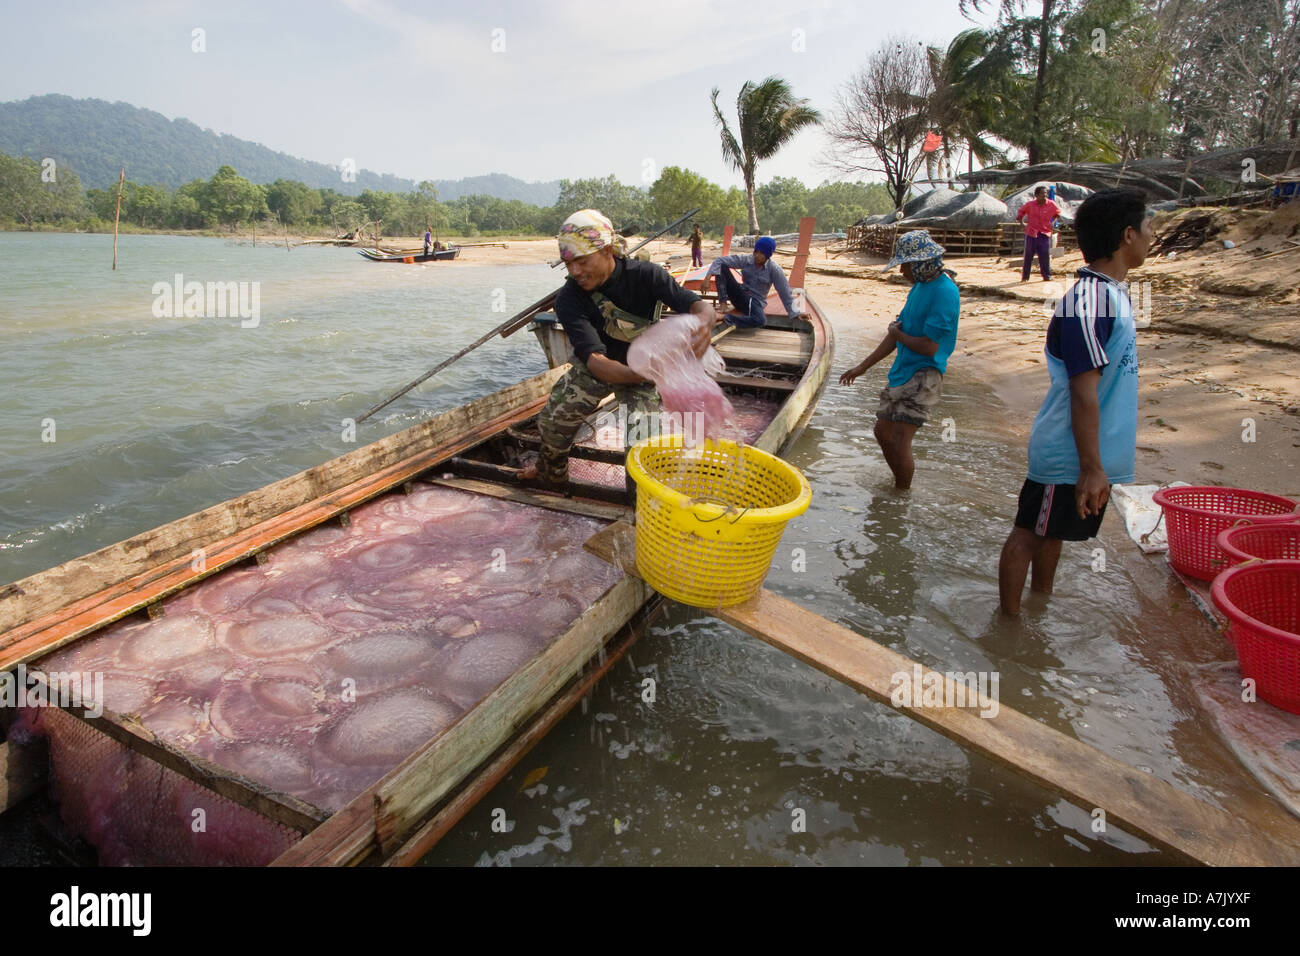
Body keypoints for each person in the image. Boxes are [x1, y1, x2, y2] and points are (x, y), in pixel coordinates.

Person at [998, 188, 1152, 615]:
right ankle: (1008, 628)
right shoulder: (1088, 302)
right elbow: (1084, 391)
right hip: (1069, 451)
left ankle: (1037, 608)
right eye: (1148, 228)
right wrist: (1091, 467)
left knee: (1052, 532)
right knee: (1029, 532)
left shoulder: (1110, 295)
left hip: (1083, 451)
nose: (1151, 237)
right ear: (1126, 236)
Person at [518, 209, 719, 487]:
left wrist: (706, 321)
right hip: (602, 369)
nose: (575, 271)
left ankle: (640, 505)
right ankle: (550, 477)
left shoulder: (647, 276)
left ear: (608, 251)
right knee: (553, 421)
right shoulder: (569, 299)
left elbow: (695, 304)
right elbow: (597, 363)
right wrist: (649, 373)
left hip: (645, 371)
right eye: (568, 264)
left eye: (582, 261)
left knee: (643, 449)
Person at [838, 230, 960, 490]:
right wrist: (861, 367)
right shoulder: (919, 288)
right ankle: (899, 487)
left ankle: (901, 494)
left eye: (905, 265)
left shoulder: (945, 292)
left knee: (900, 439)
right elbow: (895, 335)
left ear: (920, 263)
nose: (902, 271)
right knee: (882, 432)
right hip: (903, 371)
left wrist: (897, 333)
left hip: (924, 374)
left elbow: (929, 347)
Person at [700, 236, 806, 329]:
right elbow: (719, 261)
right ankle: (723, 304)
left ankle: (725, 317)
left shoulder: (774, 269)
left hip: (755, 302)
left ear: (768, 255)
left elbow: (785, 292)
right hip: (740, 295)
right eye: (756, 252)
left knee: (760, 320)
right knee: (722, 266)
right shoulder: (747, 260)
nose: (757, 256)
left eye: (761, 254)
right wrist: (707, 278)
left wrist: (796, 313)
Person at [1016, 185, 1061, 282]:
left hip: (1044, 233)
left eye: (1046, 193)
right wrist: (1022, 223)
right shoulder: (1030, 205)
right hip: (1031, 233)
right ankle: (1025, 277)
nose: (1044, 195)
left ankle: (1047, 276)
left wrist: (1053, 223)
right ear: (1036, 195)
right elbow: (1020, 213)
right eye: (1042, 193)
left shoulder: (1051, 204)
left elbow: (1057, 214)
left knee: (1044, 254)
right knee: (1028, 255)